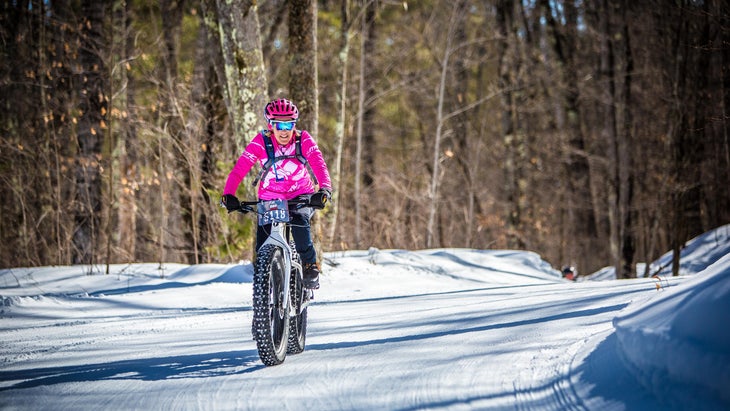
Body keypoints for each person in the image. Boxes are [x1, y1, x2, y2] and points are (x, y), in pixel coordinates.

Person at [221, 98, 332, 289]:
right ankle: (264, 287)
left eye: (289, 124)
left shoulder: (303, 139)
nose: (284, 130)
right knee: (263, 241)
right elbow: (240, 169)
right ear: (270, 125)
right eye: (279, 124)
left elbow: (318, 163)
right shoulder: (261, 141)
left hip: (301, 193)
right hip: (271, 196)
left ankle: (309, 265)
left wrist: (324, 189)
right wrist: (228, 194)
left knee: (299, 221)